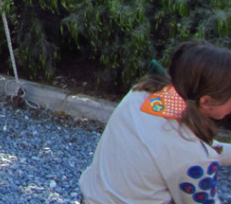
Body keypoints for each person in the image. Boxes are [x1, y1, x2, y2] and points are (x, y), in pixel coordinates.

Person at [80, 40, 231, 203]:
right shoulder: (192, 156)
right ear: (206, 101)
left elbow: (176, 150)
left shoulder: (143, 95)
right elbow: (190, 156)